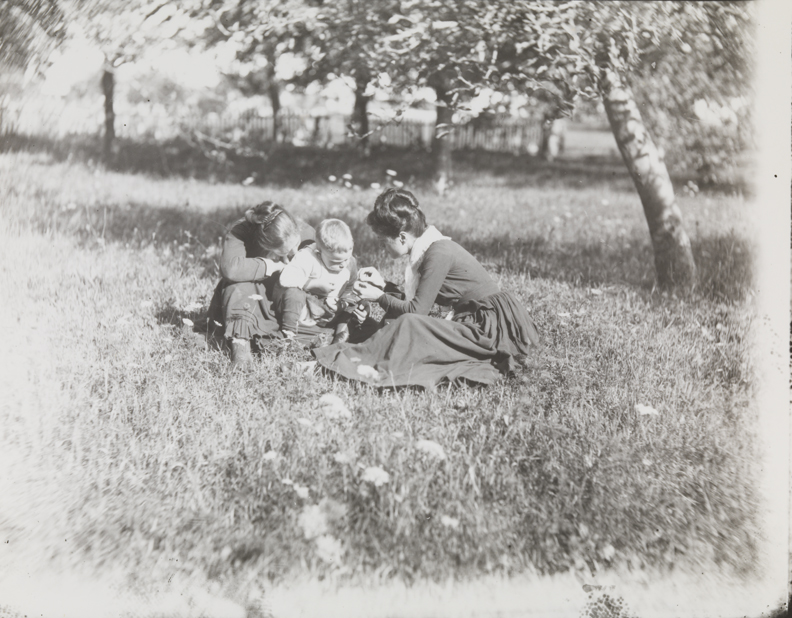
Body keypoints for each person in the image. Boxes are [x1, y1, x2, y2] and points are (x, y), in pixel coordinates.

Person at [312, 188, 540, 388]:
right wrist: (383, 286)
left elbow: (417, 312)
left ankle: (341, 363)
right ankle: (355, 357)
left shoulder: (437, 253)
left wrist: (379, 296)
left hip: (491, 328)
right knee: (409, 327)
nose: (382, 248)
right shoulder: (430, 248)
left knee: (408, 325)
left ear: (401, 237)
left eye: (383, 242)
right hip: (482, 319)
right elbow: (423, 302)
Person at [207, 200, 315, 366]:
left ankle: (277, 341)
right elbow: (230, 269)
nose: (294, 252)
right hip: (250, 298)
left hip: (285, 301)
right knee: (235, 285)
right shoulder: (242, 230)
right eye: (285, 251)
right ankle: (241, 347)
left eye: (296, 244)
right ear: (266, 245)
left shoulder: (304, 230)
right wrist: (272, 265)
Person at [273, 218, 368, 345]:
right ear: (319, 253)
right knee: (293, 294)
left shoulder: (349, 263)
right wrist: (314, 284)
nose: (343, 265)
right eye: (335, 262)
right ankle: (288, 335)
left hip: (329, 310)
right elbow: (285, 279)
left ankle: (341, 336)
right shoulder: (307, 256)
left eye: (346, 259)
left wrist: (341, 304)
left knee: (362, 303)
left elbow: (349, 289)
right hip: (306, 306)